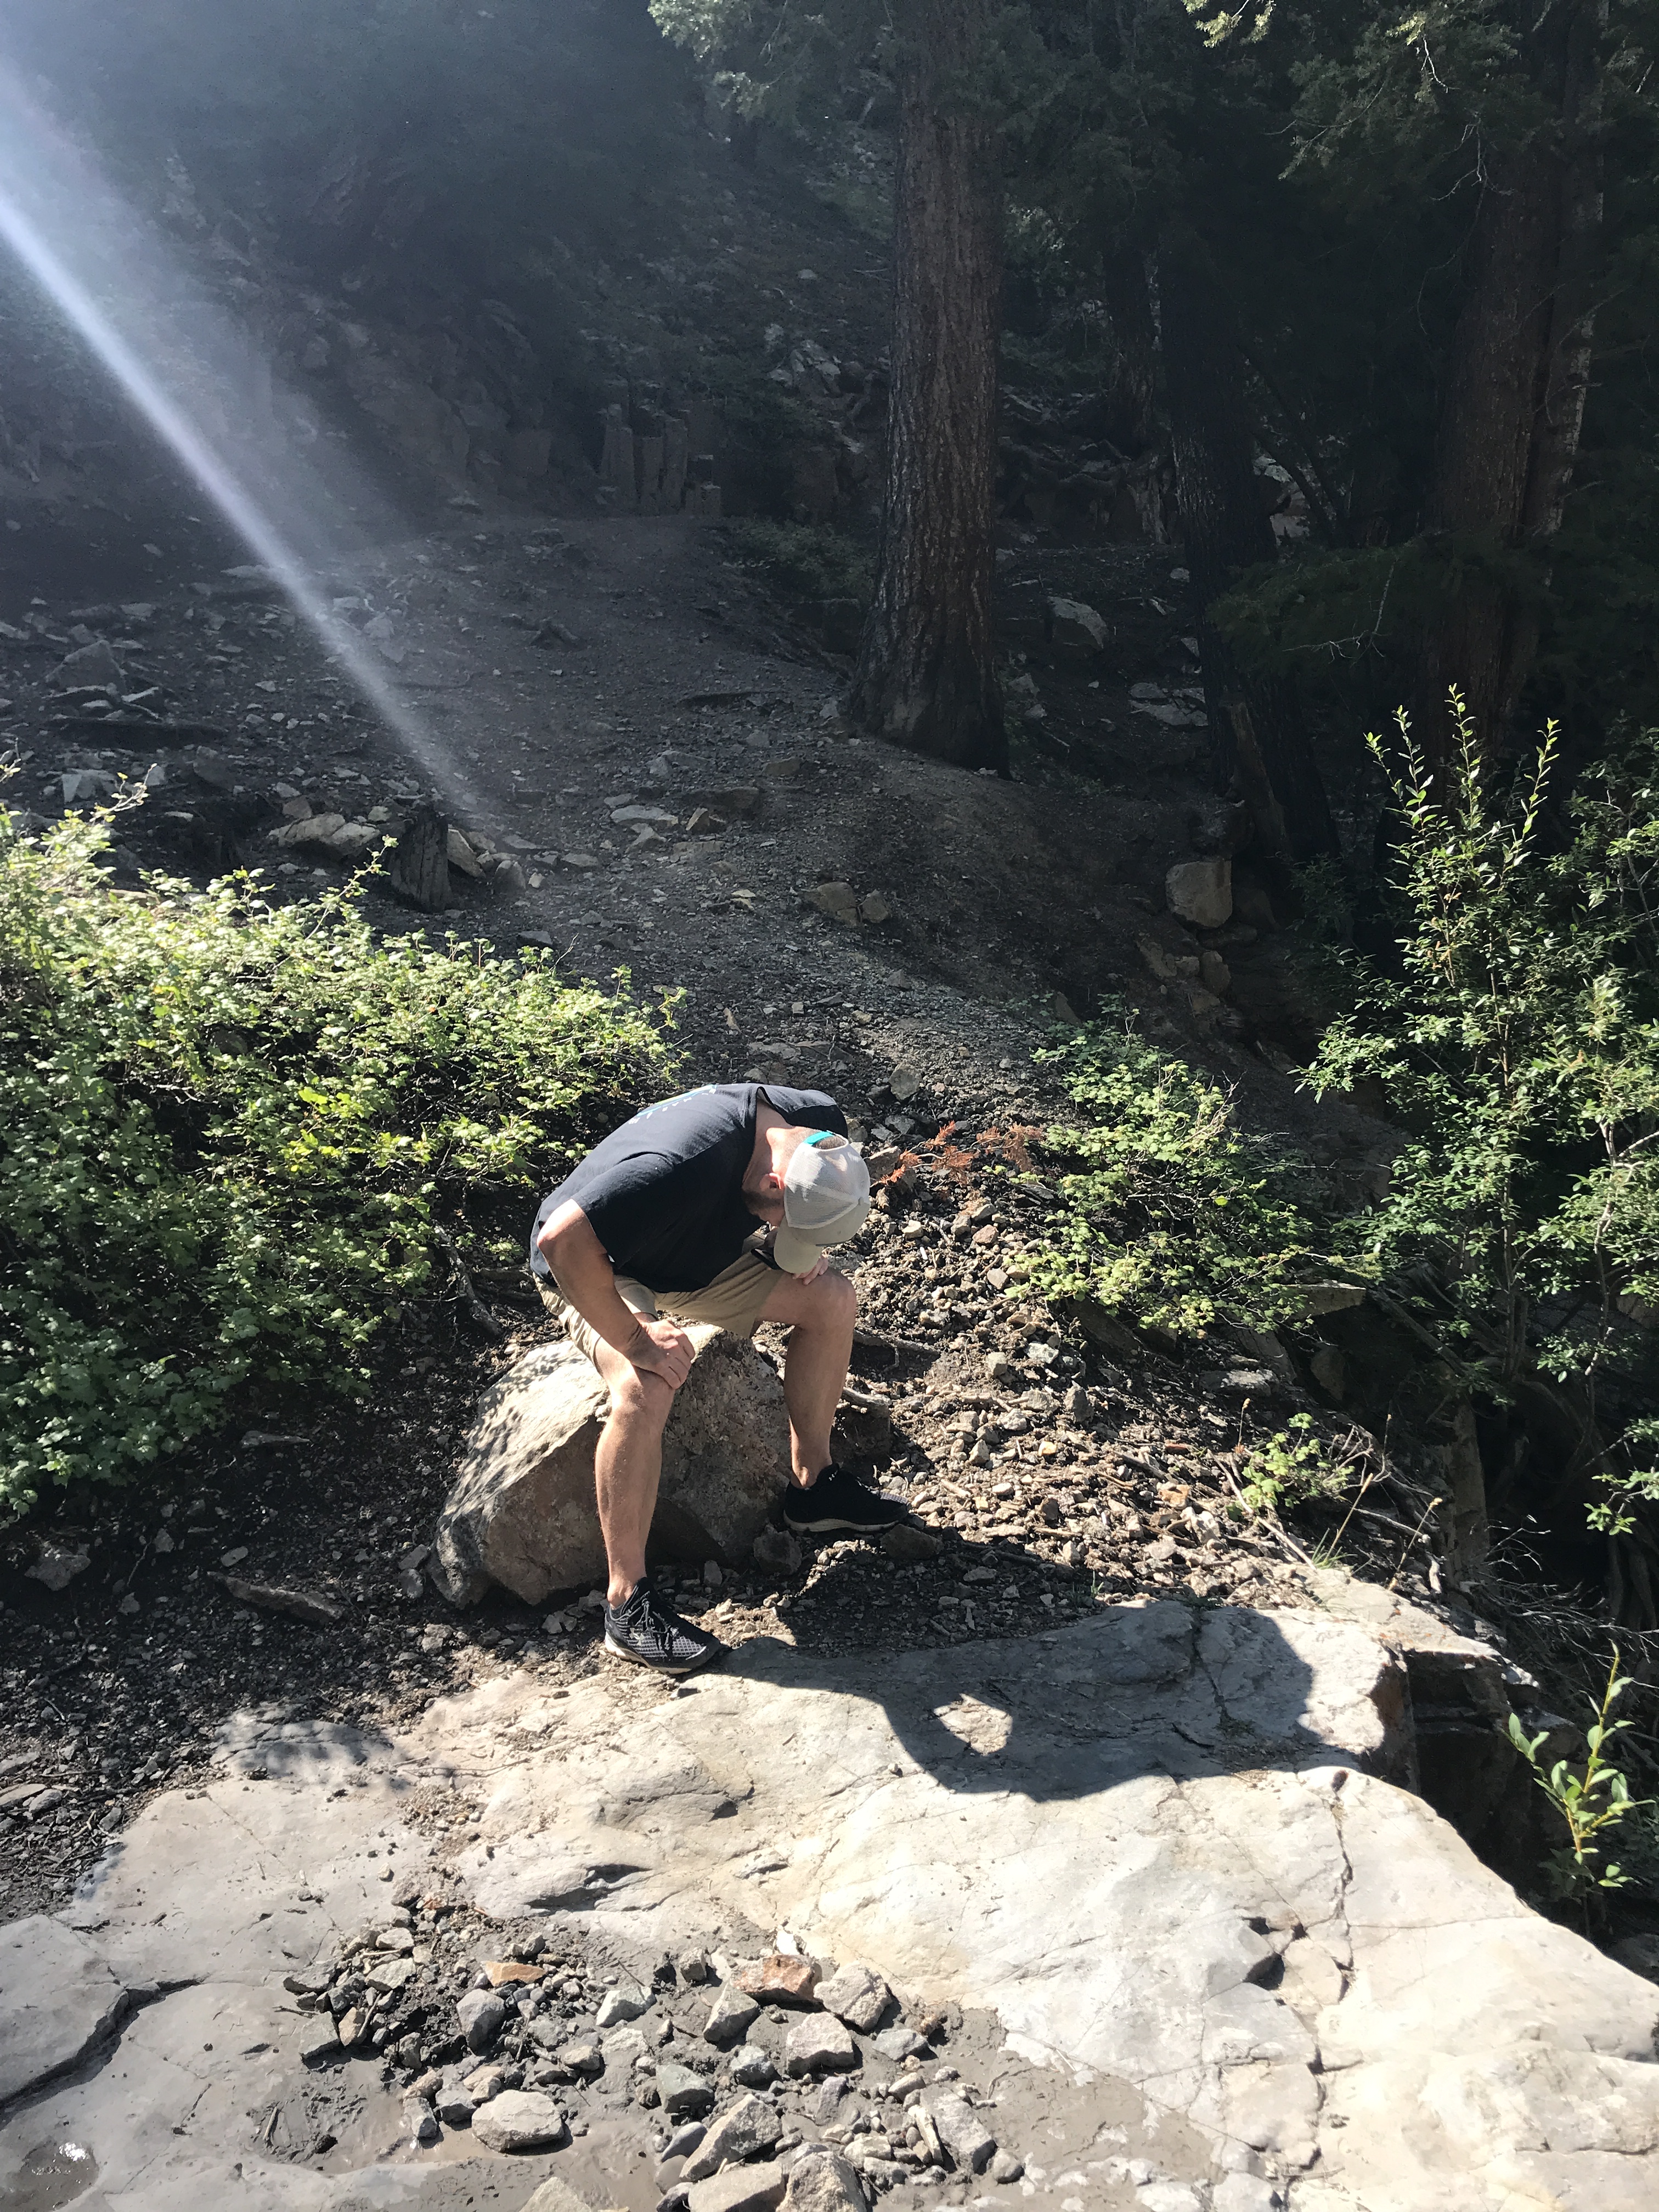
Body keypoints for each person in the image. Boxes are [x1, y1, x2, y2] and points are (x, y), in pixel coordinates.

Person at [531, 1082, 902, 1674]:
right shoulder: (676, 1166)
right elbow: (561, 1241)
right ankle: (626, 1607)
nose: (780, 1230)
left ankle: (814, 1489)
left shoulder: (820, 1128)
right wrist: (636, 1340)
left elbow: (796, 1212)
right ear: (774, 1184)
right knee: (646, 1383)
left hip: (693, 1253)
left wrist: (798, 1236)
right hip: (600, 1264)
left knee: (831, 1299)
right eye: (783, 1217)